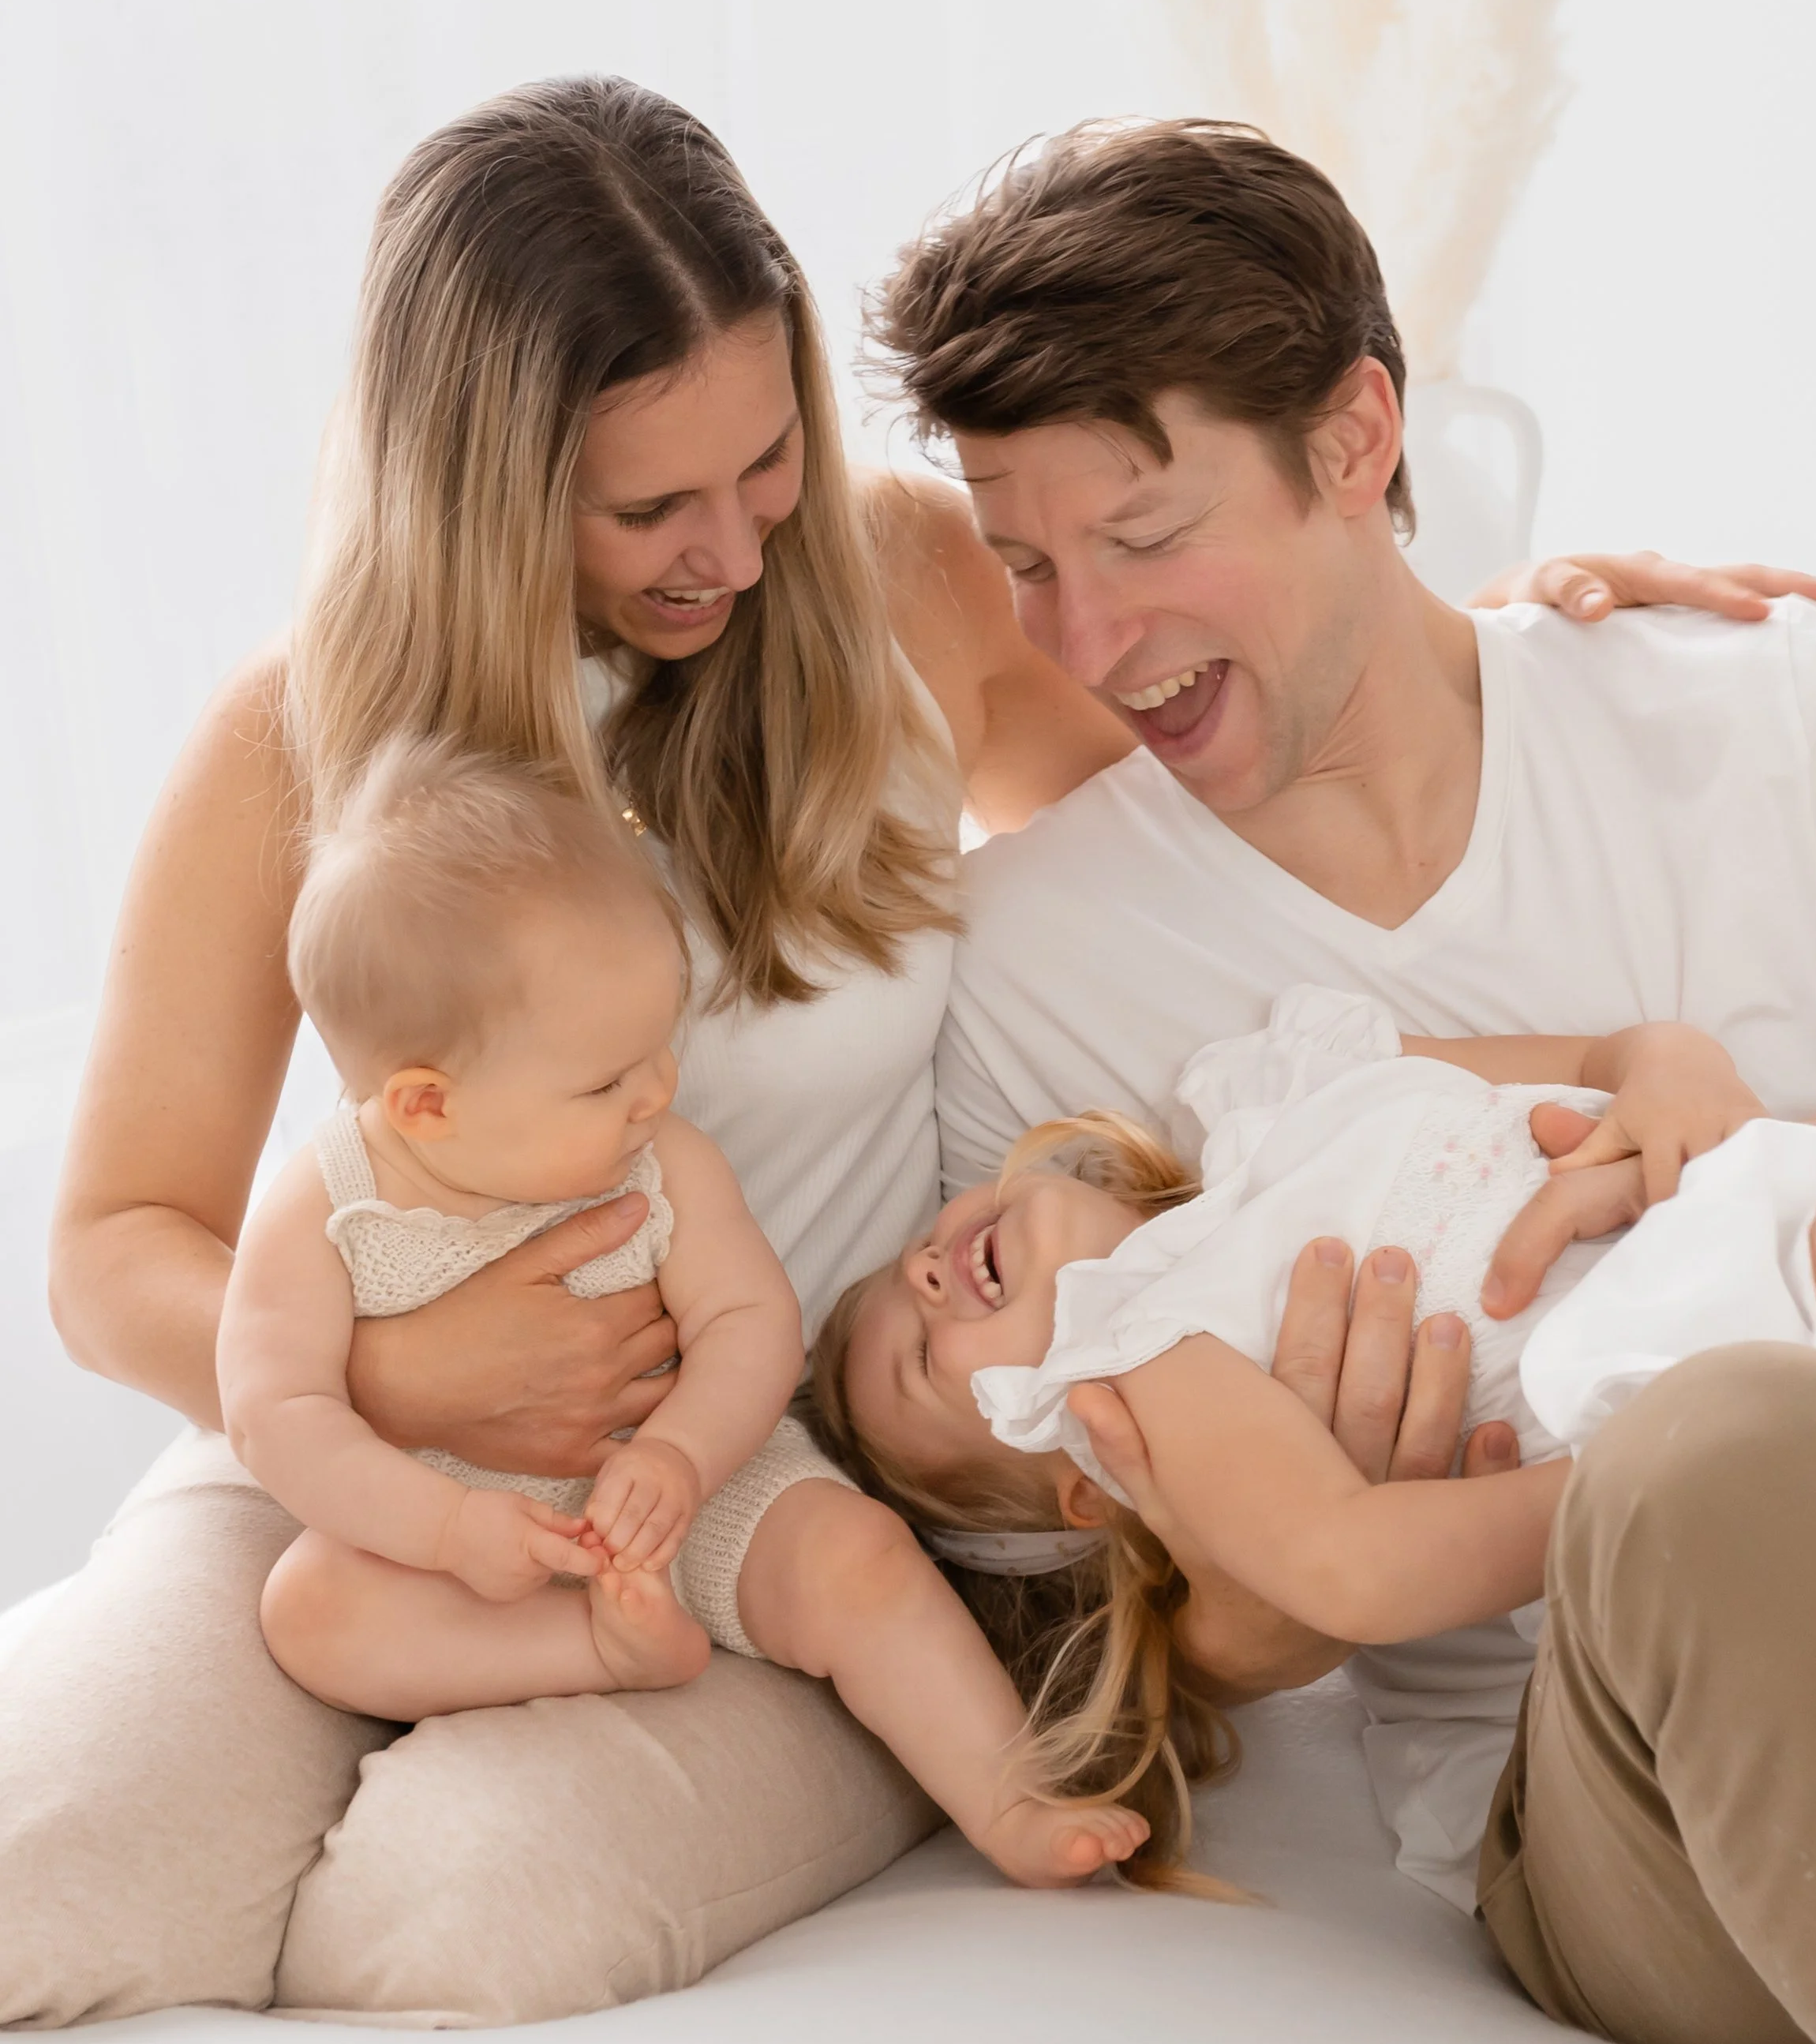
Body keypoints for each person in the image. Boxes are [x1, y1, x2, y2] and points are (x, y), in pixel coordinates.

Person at [6, 72, 1781, 2031]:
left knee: (460, 1917)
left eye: (761, 460)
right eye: (645, 508)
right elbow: (117, 1243)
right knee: (43, 1859)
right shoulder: (300, 734)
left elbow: (1220, 779)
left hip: (796, 1508)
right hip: (331, 1451)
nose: (730, 548)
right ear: (477, 489)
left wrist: (1516, 637)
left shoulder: (897, 588)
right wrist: (390, 1382)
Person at [873, 115, 1816, 2044]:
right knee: (1733, 1441)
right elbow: (1060, 1612)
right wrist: (1257, 1607)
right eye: (1023, 565)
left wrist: (1758, 1156)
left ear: (1355, 432)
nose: (1084, 640)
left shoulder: (1759, 719)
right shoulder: (1043, 990)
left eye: (1143, 532)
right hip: (1629, 1793)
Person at [812, 993, 1816, 1918]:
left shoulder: (1278, 1097)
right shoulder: (1141, 1357)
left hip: (1760, 1218)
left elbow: (1608, 1052)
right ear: (1078, 1480)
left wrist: (1669, 1060)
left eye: (909, 1260)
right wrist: (1646, 1470)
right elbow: (1353, 1568)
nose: (923, 1279)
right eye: (921, 1358)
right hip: (1727, 1410)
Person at [222, 736, 1141, 1887]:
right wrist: (444, 1529)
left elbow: (751, 1323)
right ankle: (597, 1646)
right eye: (608, 1078)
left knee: (858, 1558)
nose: (655, 1092)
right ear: (427, 1103)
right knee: (311, 1610)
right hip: (452, 1513)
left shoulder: (660, 1160)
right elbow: (277, 1414)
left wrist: (683, 1451)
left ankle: (1011, 1798)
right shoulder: (323, 1207)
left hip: (689, 1490)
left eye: (660, 1048)